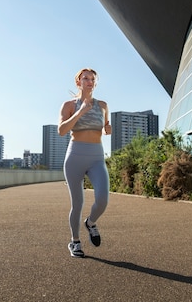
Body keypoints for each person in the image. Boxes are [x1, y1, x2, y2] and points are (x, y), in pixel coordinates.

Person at [58, 68, 112, 258]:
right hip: (75, 156)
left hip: (96, 156)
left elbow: (105, 127)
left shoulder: (103, 105)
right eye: (85, 78)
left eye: (92, 79)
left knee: (103, 199)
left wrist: (107, 128)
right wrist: (80, 112)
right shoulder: (69, 105)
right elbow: (62, 130)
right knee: (77, 203)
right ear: (78, 82)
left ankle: (91, 223)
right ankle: (75, 242)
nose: (89, 81)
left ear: (95, 83)